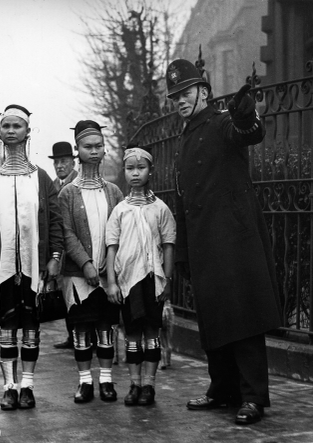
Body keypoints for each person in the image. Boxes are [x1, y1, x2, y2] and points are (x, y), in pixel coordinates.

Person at [166, 58, 282, 425]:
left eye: (185, 92)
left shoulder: (222, 123)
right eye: (174, 97)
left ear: (203, 90)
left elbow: (247, 132)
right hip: (203, 244)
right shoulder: (183, 138)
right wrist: (183, 251)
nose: (180, 101)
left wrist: (249, 116)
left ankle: (253, 397)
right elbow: (182, 200)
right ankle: (222, 390)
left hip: (234, 241)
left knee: (243, 315)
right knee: (214, 316)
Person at [0, 104, 64, 411]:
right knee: (7, 326)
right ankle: (9, 387)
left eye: (17, 126)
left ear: (28, 132)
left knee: (31, 326)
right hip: (4, 267)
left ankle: (28, 386)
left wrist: (54, 257)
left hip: (34, 266)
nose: (11, 130)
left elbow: (55, 222)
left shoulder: (41, 178)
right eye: (6, 126)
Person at [59, 120, 124, 404]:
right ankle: (85, 382)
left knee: (105, 326)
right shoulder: (68, 194)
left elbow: (119, 231)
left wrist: (107, 269)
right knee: (82, 327)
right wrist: (85, 263)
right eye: (88, 147)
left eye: (99, 146)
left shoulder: (113, 192)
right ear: (78, 150)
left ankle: (107, 381)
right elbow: (66, 232)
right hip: (78, 275)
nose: (94, 152)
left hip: (107, 273)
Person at [105, 147, 176, 406]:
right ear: (124, 172)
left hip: (153, 280)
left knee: (152, 331)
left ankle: (149, 385)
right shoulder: (120, 211)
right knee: (132, 333)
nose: (135, 173)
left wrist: (166, 280)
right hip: (128, 281)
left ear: (150, 171)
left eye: (141, 168)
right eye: (130, 168)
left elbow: (168, 245)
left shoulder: (160, 209)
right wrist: (112, 282)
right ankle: (134, 384)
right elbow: (111, 248)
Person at [49, 141, 78, 350]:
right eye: (57, 162)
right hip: (60, 249)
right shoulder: (52, 186)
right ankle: (71, 335)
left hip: (76, 246)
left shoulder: (78, 182)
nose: (60, 166)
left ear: (72, 162)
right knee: (64, 292)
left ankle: (86, 336)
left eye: (64, 161)